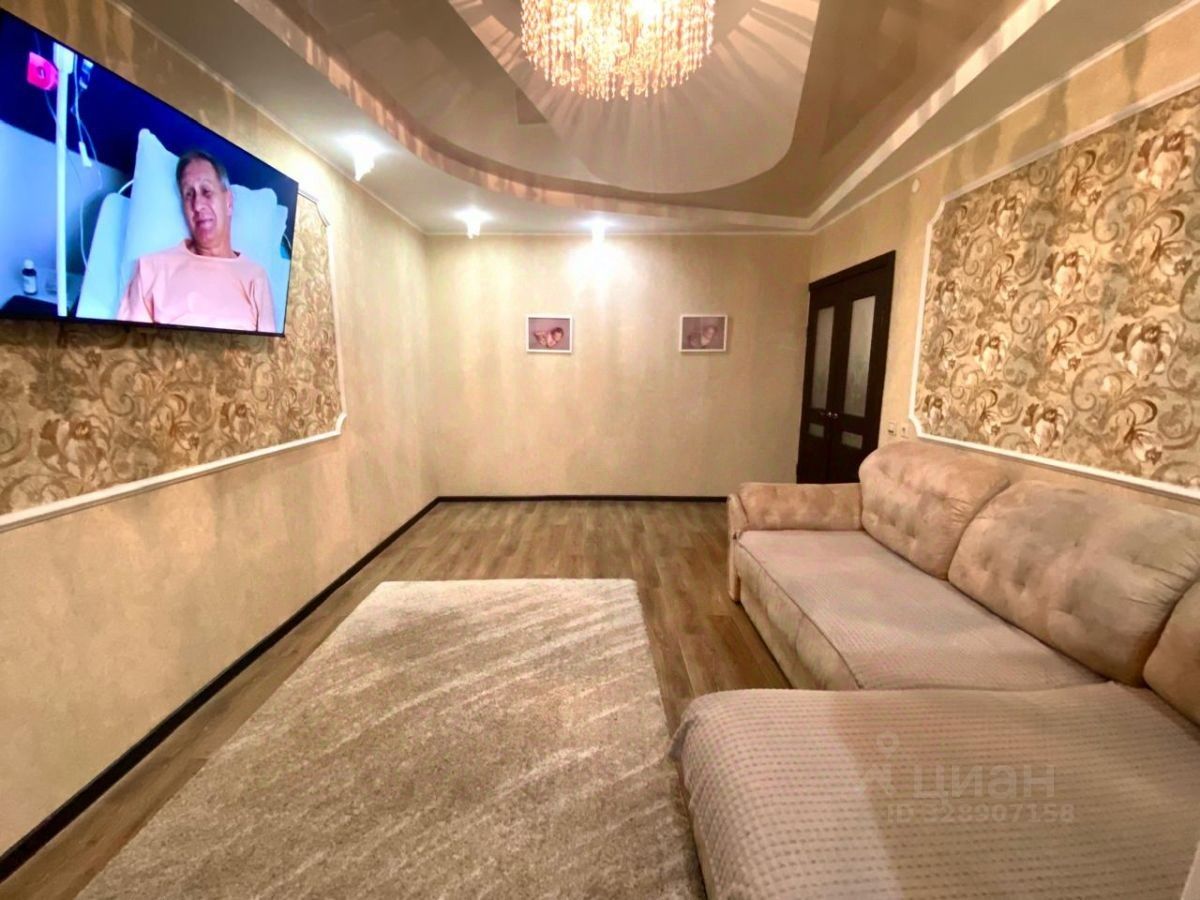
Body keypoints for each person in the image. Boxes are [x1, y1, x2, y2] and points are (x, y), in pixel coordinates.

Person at [117, 150, 275, 332]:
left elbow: (265, 349)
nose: (198, 205)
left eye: (206, 192)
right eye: (189, 195)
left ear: (229, 202)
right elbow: (129, 344)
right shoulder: (150, 270)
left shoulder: (255, 278)